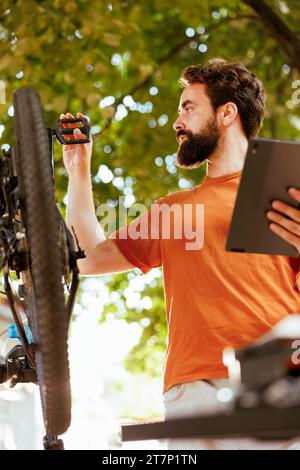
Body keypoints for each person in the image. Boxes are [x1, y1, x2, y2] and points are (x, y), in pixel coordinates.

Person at [61, 58, 300, 449]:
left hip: (282, 383)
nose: (177, 122)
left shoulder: (286, 194)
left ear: (227, 113)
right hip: (194, 390)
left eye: (188, 107)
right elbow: (88, 258)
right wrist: (79, 170)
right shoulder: (173, 210)